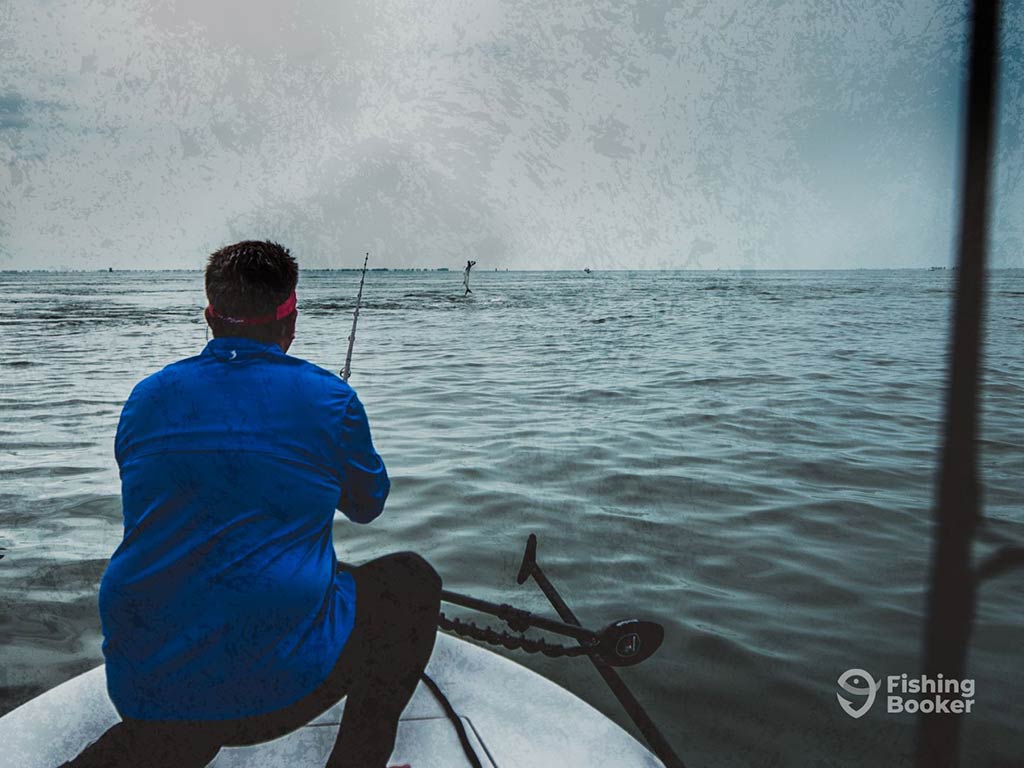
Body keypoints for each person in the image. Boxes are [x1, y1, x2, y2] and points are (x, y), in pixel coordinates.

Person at [62, 241, 440, 768]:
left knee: (201, 655)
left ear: (209, 317)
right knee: (410, 582)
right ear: (290, 321)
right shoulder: (330, 399)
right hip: (276, 696)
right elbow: (368, 505)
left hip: (142, 682)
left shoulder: (145, 397)